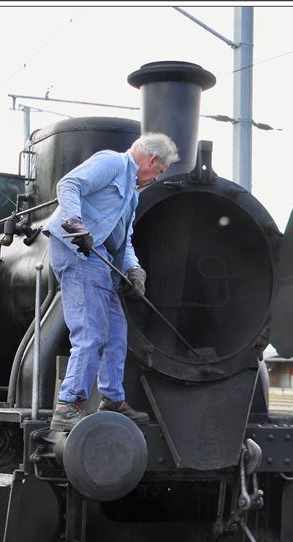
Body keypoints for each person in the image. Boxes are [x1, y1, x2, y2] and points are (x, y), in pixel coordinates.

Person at [44, 133, 179, 431]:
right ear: (153, 160)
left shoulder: (132, 194)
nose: (156, 178)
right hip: (77, 250)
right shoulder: (111, 162)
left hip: (101, 258)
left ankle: (113, 399)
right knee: (91, 331)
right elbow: (69, 185)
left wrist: (134, 270)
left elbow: (124, 240)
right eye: (159, 172)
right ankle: (68, 405)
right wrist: (74, 221)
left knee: (117, 333)